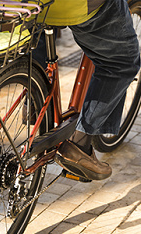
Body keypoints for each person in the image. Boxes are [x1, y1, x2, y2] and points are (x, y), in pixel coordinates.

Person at [33, 0, 141, 180]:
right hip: (76, 4)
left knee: (36, 28)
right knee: (121, 62)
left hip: (24, 5)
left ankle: (35, 101)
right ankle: (79, 145)